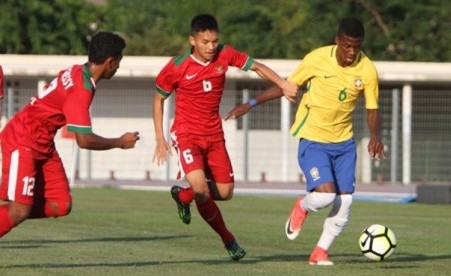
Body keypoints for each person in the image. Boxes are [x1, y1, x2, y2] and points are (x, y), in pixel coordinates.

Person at [225, 18, 385, 265]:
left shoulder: (367, 69)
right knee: (324, 197)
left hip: (344, 144)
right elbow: (285, 86)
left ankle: (319, 251)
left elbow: (372, 109)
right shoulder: (317, 59)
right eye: (347, 46)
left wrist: (375, 137)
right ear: (338, 40)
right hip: (313, 139)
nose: (352, 52)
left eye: (357, 46)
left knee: (346, 201)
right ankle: (302, 206)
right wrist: (251, 103)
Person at [153, 14, 298, 261]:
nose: (211, 47)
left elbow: (257, 67)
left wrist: (282, 84)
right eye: (205, 42)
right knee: (201, 190)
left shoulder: (225, 54)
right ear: (193, 40)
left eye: (214, 41)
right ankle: (229, 240)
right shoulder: (176, 67)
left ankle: (183, 195)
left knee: (225, 192)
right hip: (186, 135)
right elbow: (158, 99)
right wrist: (160, 138)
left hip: (214, 136)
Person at [0, 32, 140, 240]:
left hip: (43, 143)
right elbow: (83, 140)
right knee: (20, 210)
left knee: (61, 203)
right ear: (110, 62)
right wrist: (120, 142)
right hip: (24, 138)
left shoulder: (77, 70)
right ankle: (17, 207)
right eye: (118, 62)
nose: (118, 67)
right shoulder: (81, 89)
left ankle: (17, 206)